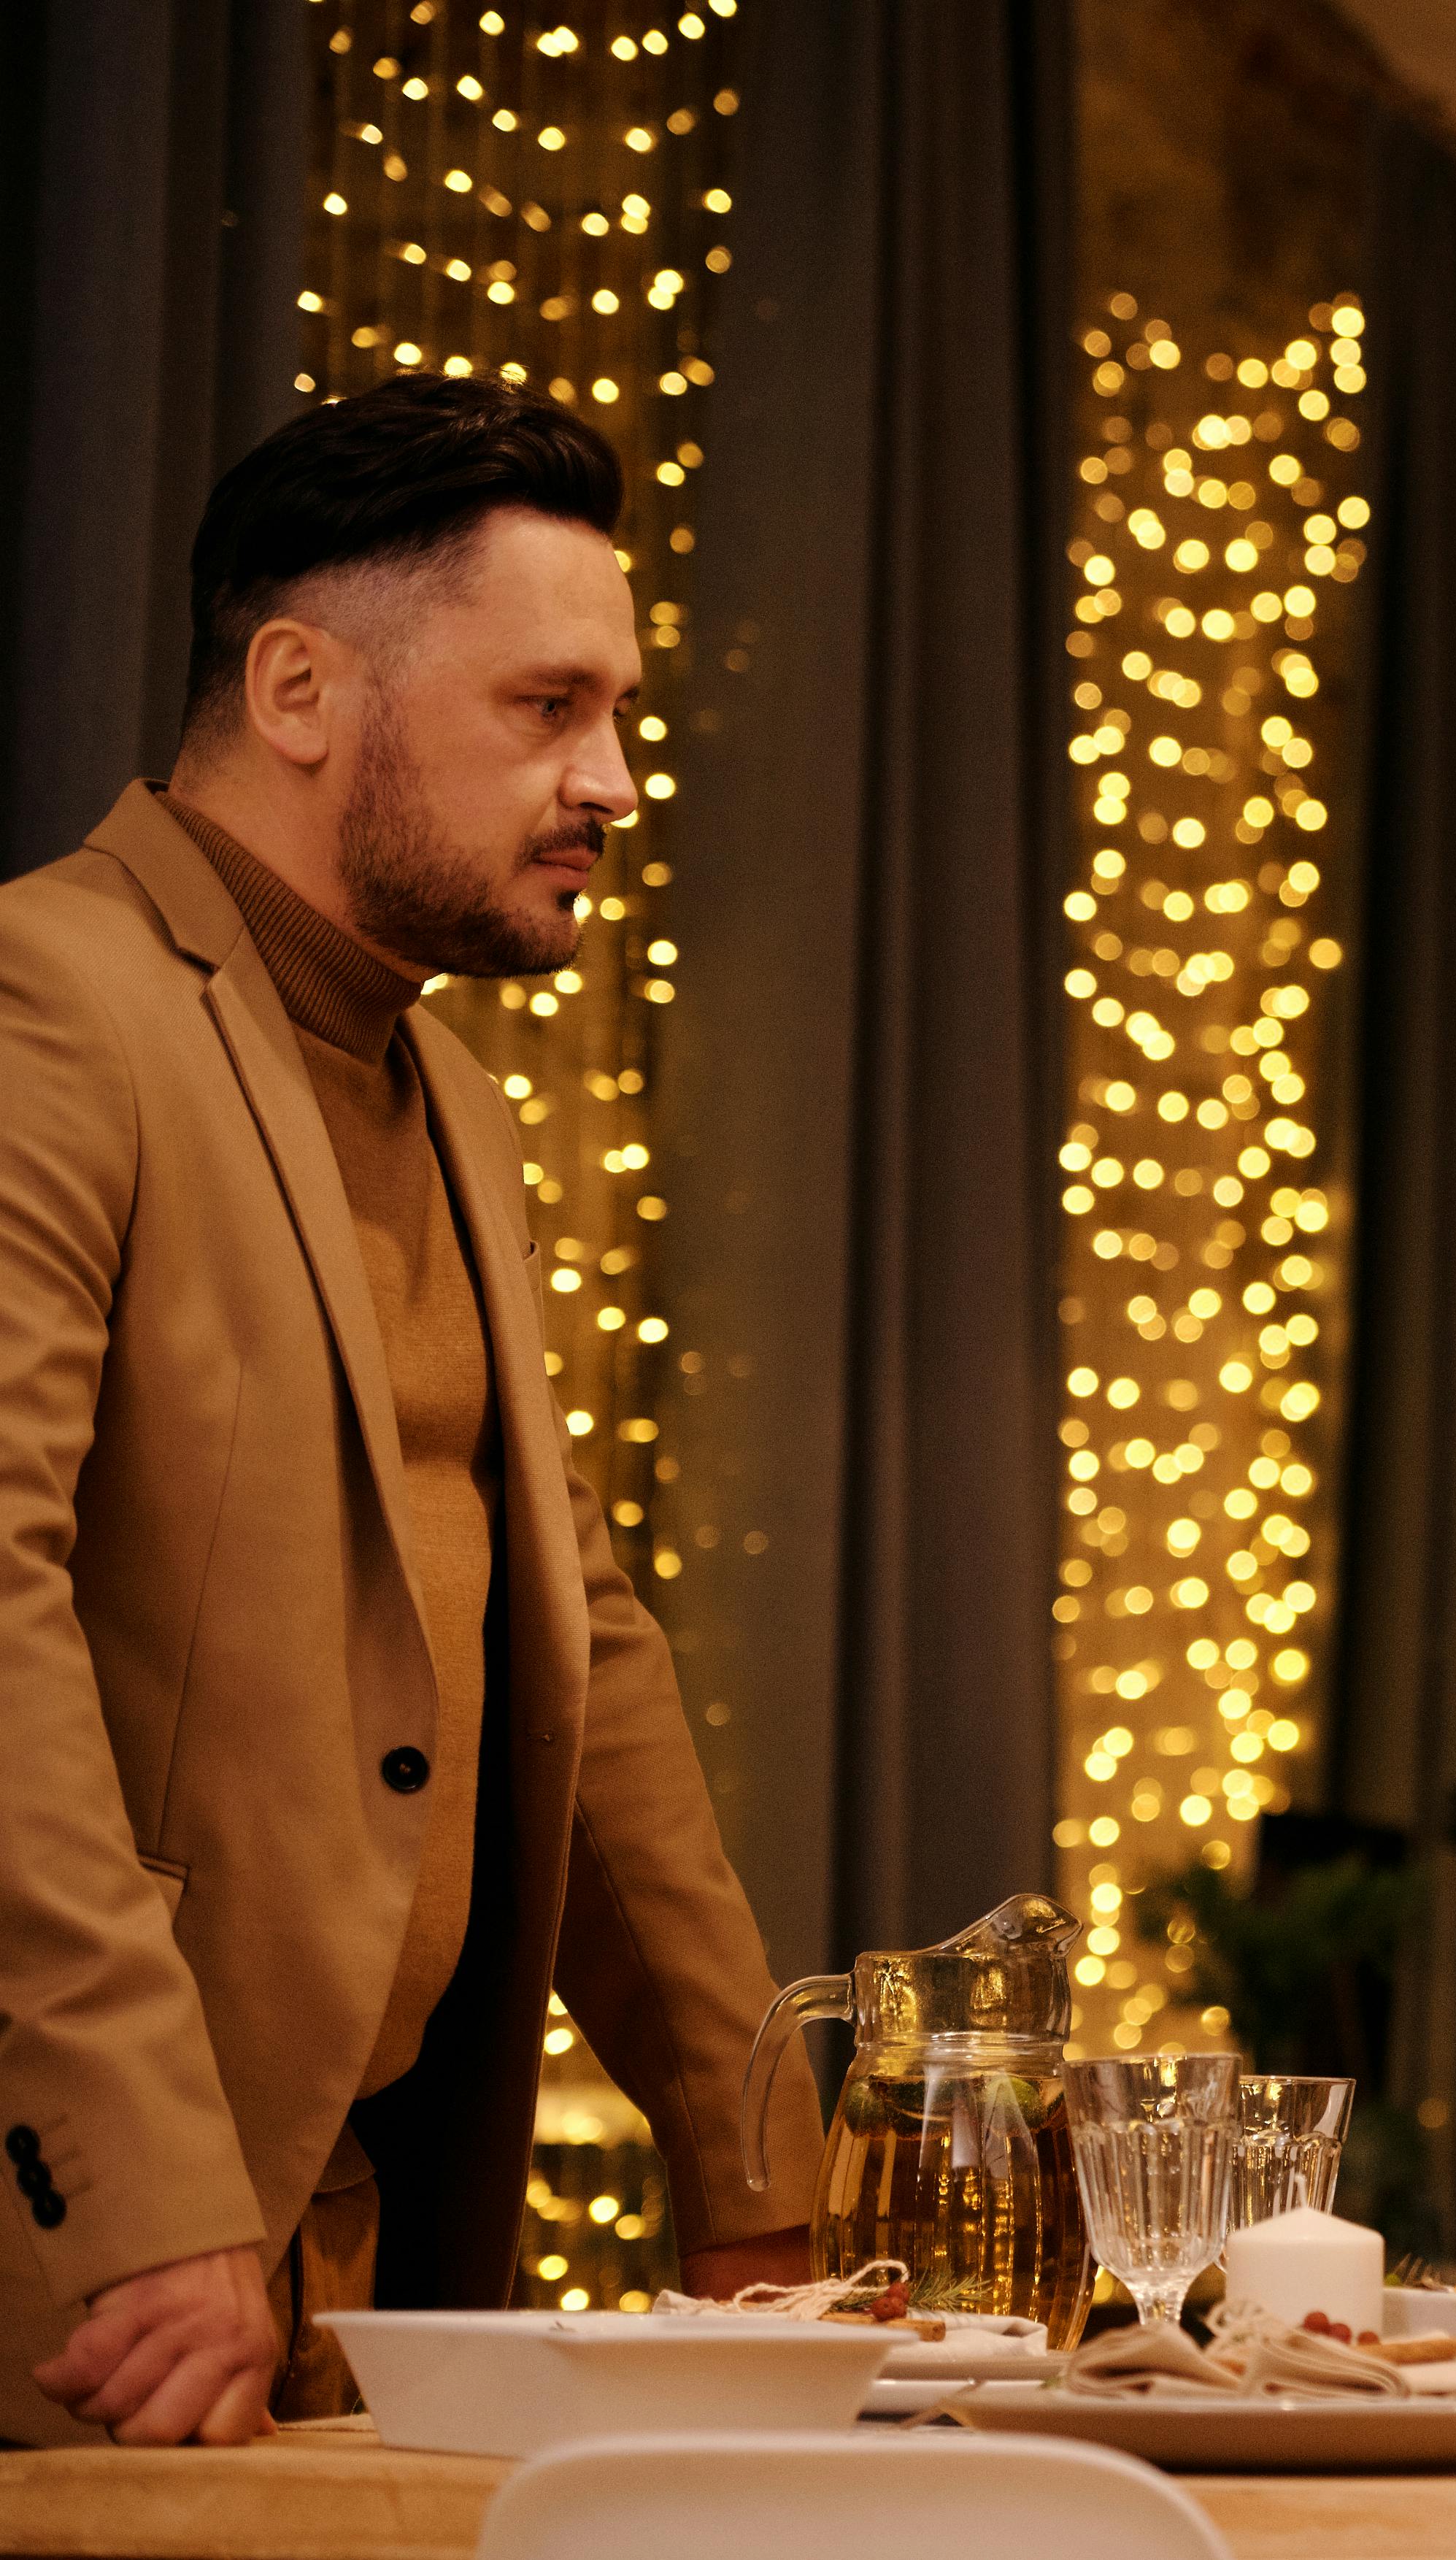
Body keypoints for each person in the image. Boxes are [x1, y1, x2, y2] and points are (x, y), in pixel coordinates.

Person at [0, 378, 821, 2448]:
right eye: (549, 706)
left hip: (357, 2246)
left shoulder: (449, 1087)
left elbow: (578, 1636)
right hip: (98, 2256)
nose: (615, 780)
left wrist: (756, 2169)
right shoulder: (48, 1002)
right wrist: (143, 2183)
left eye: (618, 713)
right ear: (295, 686)